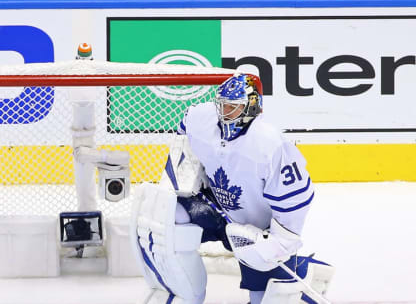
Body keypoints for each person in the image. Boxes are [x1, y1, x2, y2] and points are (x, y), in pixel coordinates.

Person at [132, 73, 333, 303]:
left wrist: (279, 243)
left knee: (264, 297)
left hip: (255, 227)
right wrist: (186, 183)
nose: (224, 112)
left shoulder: (270, 146)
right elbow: (185, 135)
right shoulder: (200, 117)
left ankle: (303, 271)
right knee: (169, 217)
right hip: (214, 206)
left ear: (252, 109)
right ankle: (183, 294)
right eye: (222, 105)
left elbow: (297, 199)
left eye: (233, 108)